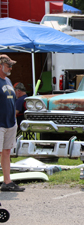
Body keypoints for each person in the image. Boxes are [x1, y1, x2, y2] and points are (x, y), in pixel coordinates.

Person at [0, 55, 25, 192]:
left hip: (10, 123)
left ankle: (7, 181)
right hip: (0, 123)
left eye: (11, 65)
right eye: (8, 65)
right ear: (0, 66)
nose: (10, 68)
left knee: (7, 152)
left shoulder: (8, 80)